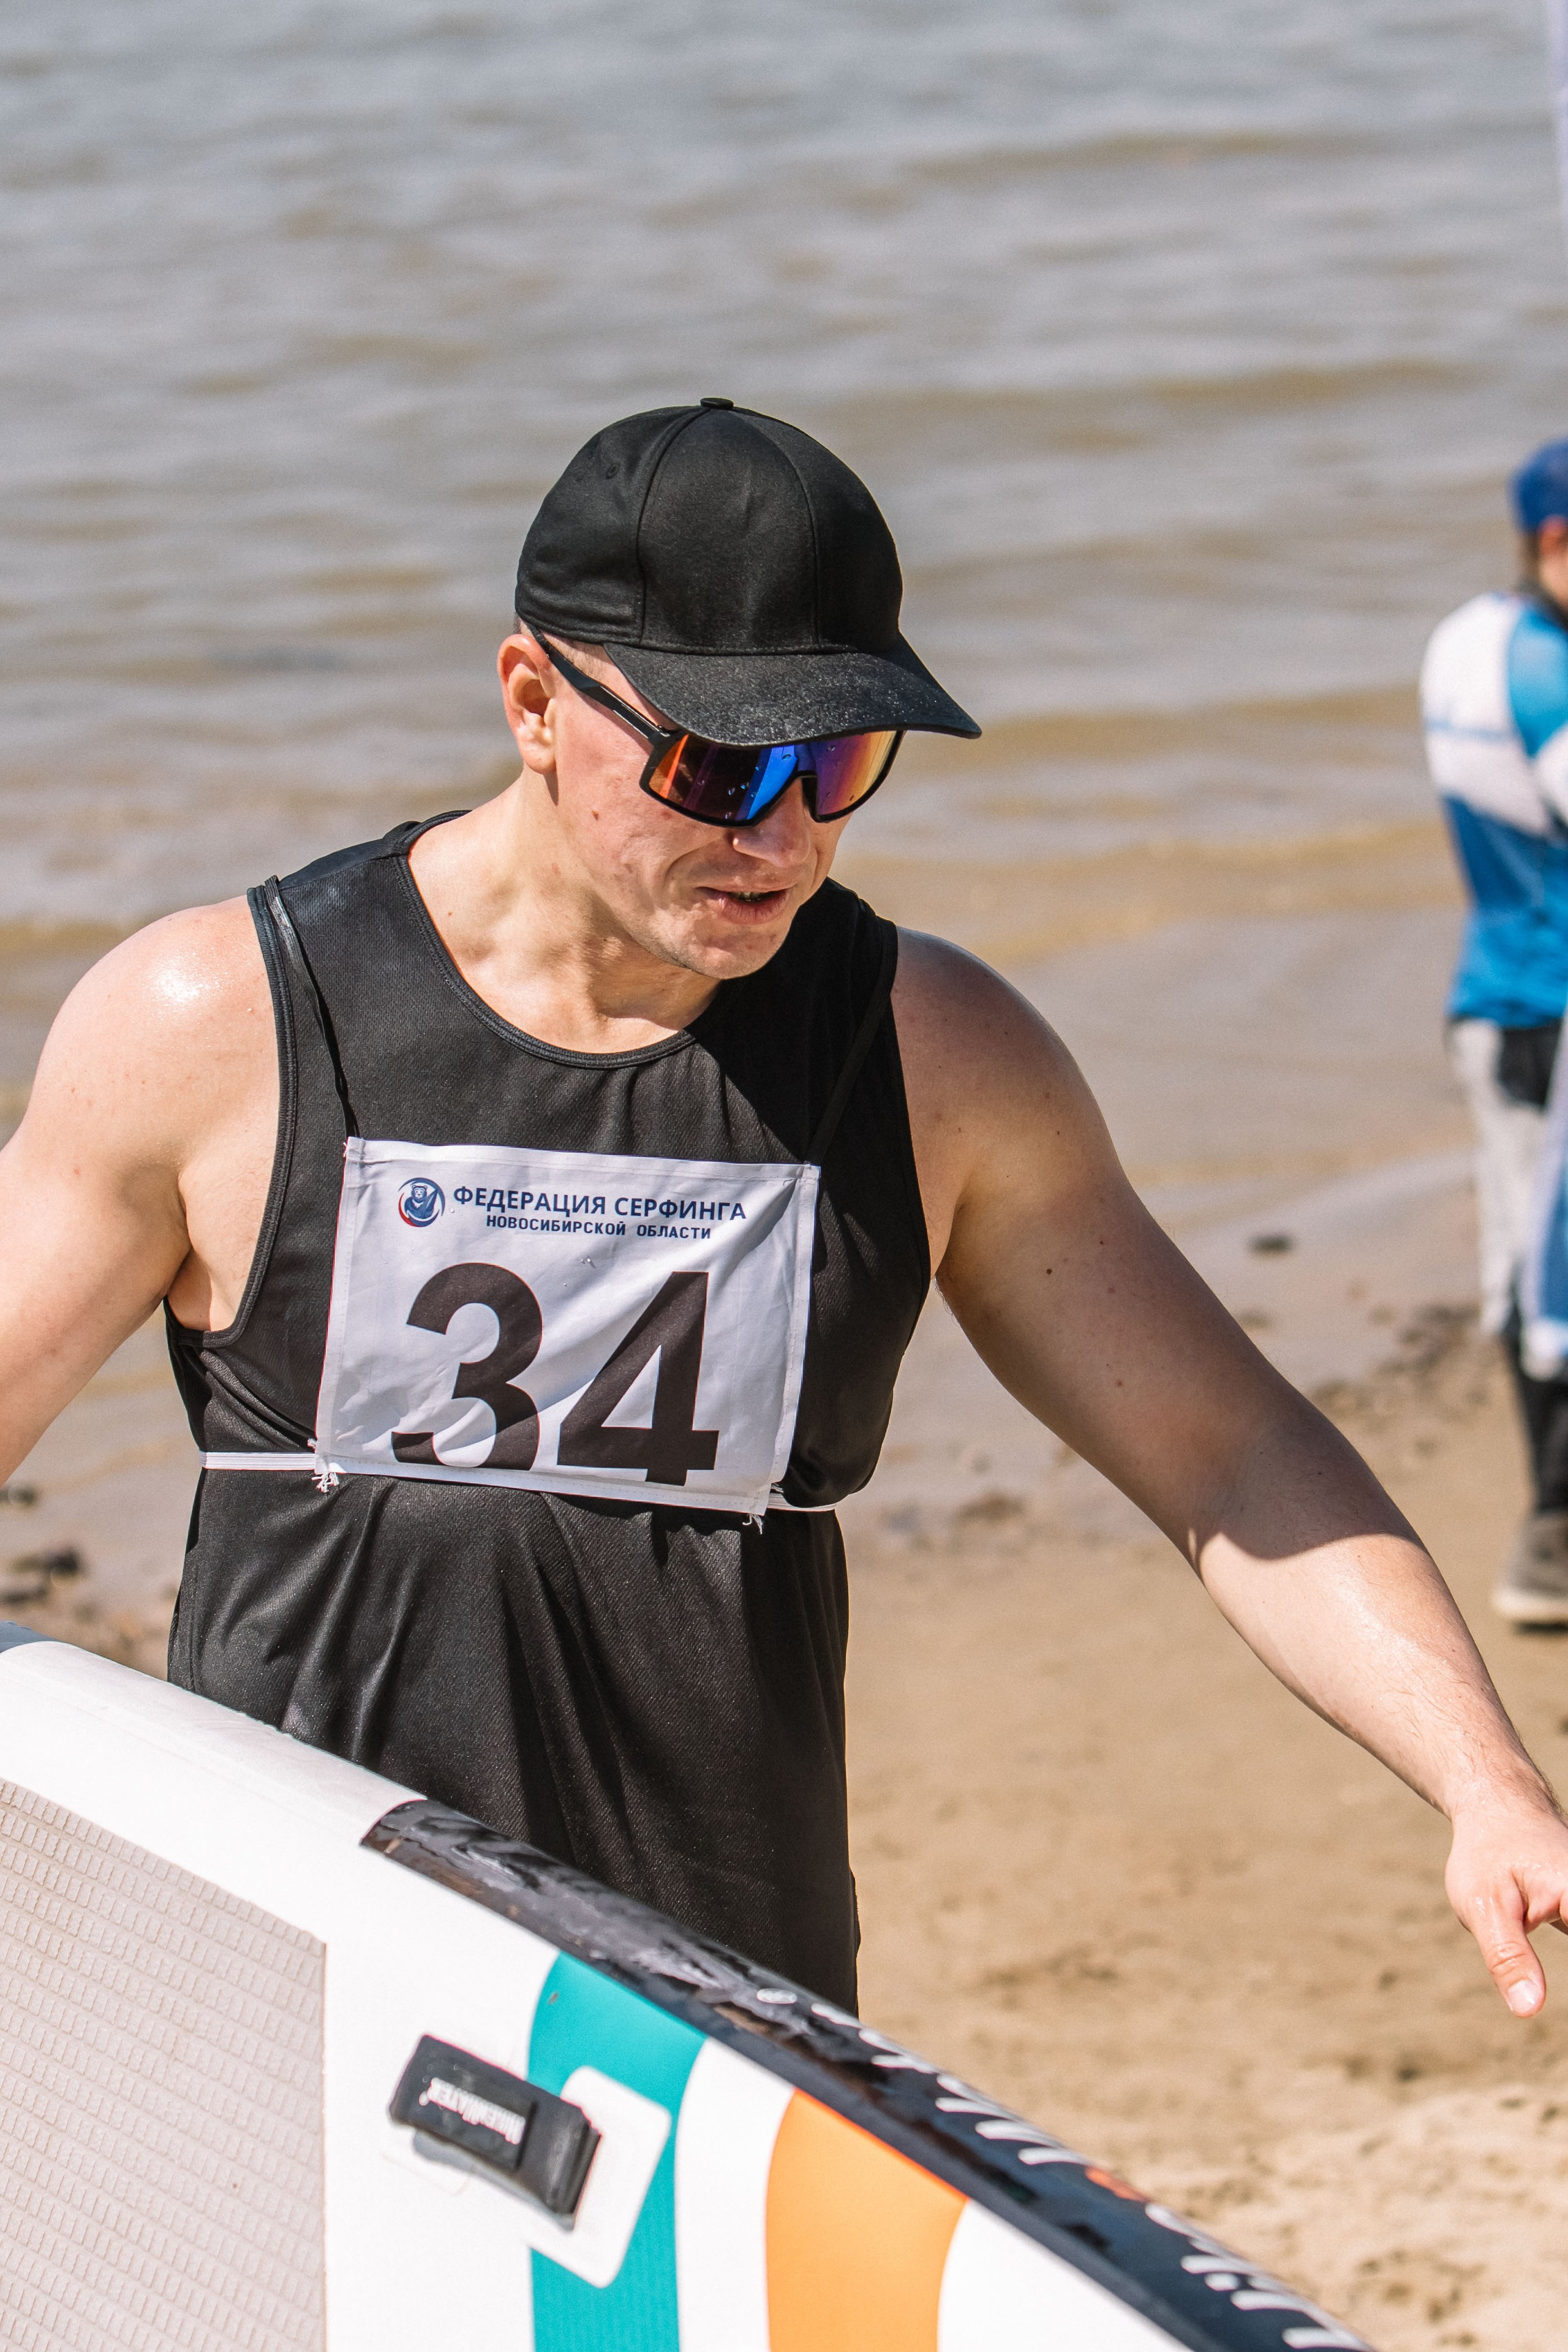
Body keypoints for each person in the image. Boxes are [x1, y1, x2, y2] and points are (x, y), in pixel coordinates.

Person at [4, 399, 1567, 2018]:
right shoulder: (224, 1026)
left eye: (837, 763)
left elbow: (1228, 1453)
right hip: (294, 1983)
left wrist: (1486, 1783)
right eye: (716, 762)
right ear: (533, 701)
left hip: (724, 2019)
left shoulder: (930, 1059)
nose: (782, 835)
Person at [1422, 437, 1568, 1627]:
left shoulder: (1468, 642)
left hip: (1495, 994)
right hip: (1548, 1013)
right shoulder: (1548, 677)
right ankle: (1550, 1534)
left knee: (1525, 1258)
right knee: (1545, 1270)